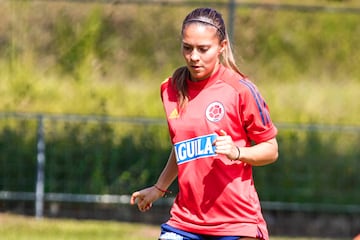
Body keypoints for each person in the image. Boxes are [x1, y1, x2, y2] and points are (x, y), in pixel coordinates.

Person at [130, 7, 278, 240]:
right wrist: (159, 188)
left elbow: (271, 149)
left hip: (236, 223)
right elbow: (182, 147)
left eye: (203, 49)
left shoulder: (240, 90)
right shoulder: (170, 89)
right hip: (185, 221)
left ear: (222, 47)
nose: (194, 56)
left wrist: (237, 152)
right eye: (187, 48)